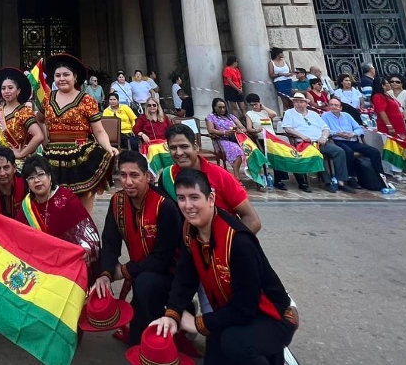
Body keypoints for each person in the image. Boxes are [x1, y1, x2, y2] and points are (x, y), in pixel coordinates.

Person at [149, 168, 298, 365]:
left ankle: (274, 355)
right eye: (181, 198)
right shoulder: (189, 229)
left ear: (211, 198)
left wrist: (197, 323)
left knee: (235, 343)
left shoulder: (238, 241)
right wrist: (172, 314)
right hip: (234, 313)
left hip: (275, 317)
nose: (188, 206)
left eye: (195, 197)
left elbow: (245, 308)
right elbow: (185, 277)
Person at [92, 151, 180, 346]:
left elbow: (162, 259)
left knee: (145, 284)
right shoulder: (117, 201)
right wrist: (105, 274)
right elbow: (109, 243)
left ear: (147, 177)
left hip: (170, 274)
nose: (128, 182)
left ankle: (177, 316)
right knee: (135, 342)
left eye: (135, 175)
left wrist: (124, 270)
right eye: (123, 175)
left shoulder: (164, 206)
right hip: (142, 272)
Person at [40, 53, 118, 211]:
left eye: (66, 75)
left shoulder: (86, 100)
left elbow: (99, 130)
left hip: (80, 156)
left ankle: (83, 235)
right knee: (55, 206)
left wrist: (108, 147)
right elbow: (39, 119)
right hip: (53, 157)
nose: (61, 78)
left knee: (82, 209)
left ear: (75, 77)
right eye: (57, 75)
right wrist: (44, 141)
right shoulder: (47, 99)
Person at [155, 124, 261, 232]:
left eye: (184, 146)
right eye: (173, 148)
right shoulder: (167, 176)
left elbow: (252, 220)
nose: (179, 153)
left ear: (195, 146)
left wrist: (233, 245)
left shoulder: (221, 176)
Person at [18, 155, 101, 275]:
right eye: (31, 178)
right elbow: (18, 234)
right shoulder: (27, 206)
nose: (36, 180)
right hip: (38, 265)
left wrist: (86, 250)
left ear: (50, 176)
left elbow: (87, 231)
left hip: (67, 265)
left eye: (41, 175)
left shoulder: (66, 198)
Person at [280, 93, 352, 193]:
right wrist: (302, 136)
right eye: (296, 101)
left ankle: (341, 181)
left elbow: (326, 128)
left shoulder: (313, 114)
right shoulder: (289, 113)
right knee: (317, 154)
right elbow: (287, 128)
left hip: (320, 141)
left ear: (306, 103)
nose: (299, 104)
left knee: (339, 152)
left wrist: (324, 137)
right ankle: (327, 182)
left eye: (301, 102)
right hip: (305, 143)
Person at [0, 68, 44, 173]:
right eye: (3, 88)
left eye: (10, 88)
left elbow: (39, 136)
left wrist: (21, 154)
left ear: (18, 91)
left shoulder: (23, 112)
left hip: (16, 165)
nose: (6, 91)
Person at [321, 98, 386, 190]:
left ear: (341, 107)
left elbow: (358, 128)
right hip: (337, 140)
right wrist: (337, 133)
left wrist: (353, 134)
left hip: (351, 139)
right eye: (331, 105)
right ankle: (351, 178)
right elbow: (324, 130)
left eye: (336, 105)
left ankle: (380, 177)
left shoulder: (347, 115)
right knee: (348, 152)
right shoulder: (325, 116)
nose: (333, 107)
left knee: (374, 152)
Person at [205, 98, 247, 172]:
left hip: (237, 138)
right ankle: (237, 177)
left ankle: (253, 174)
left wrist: (241, 130)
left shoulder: (231, 116)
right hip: (223, 140)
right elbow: (210, 130)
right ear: (214, 107)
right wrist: (224, 132)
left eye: (224, 107)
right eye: (220, 107)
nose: (222, 109)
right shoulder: (211, 116)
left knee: (251, 150)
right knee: (238, 150)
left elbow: (243, 128)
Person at [134, 98, 173, 172]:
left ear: (158, 106)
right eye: (149, 105)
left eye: (154, 105)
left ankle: (168, 172)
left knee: (168, 151)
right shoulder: (143, 117)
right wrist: (142, 134)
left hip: (163, 142)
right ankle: (156, 175)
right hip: (150, 143)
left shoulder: (164, 117)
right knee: (154, 149)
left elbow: (171, 129)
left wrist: (169, 141)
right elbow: (135, 129)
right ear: (147, 107)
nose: (152, 107)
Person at [370, 77, 406, 144]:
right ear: (383, 86)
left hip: (398, 125)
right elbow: (381, 111)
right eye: (387, 83)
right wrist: (389, 126)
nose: (390, 84)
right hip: (390, 127)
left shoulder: (387, 94)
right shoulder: (378, 96)